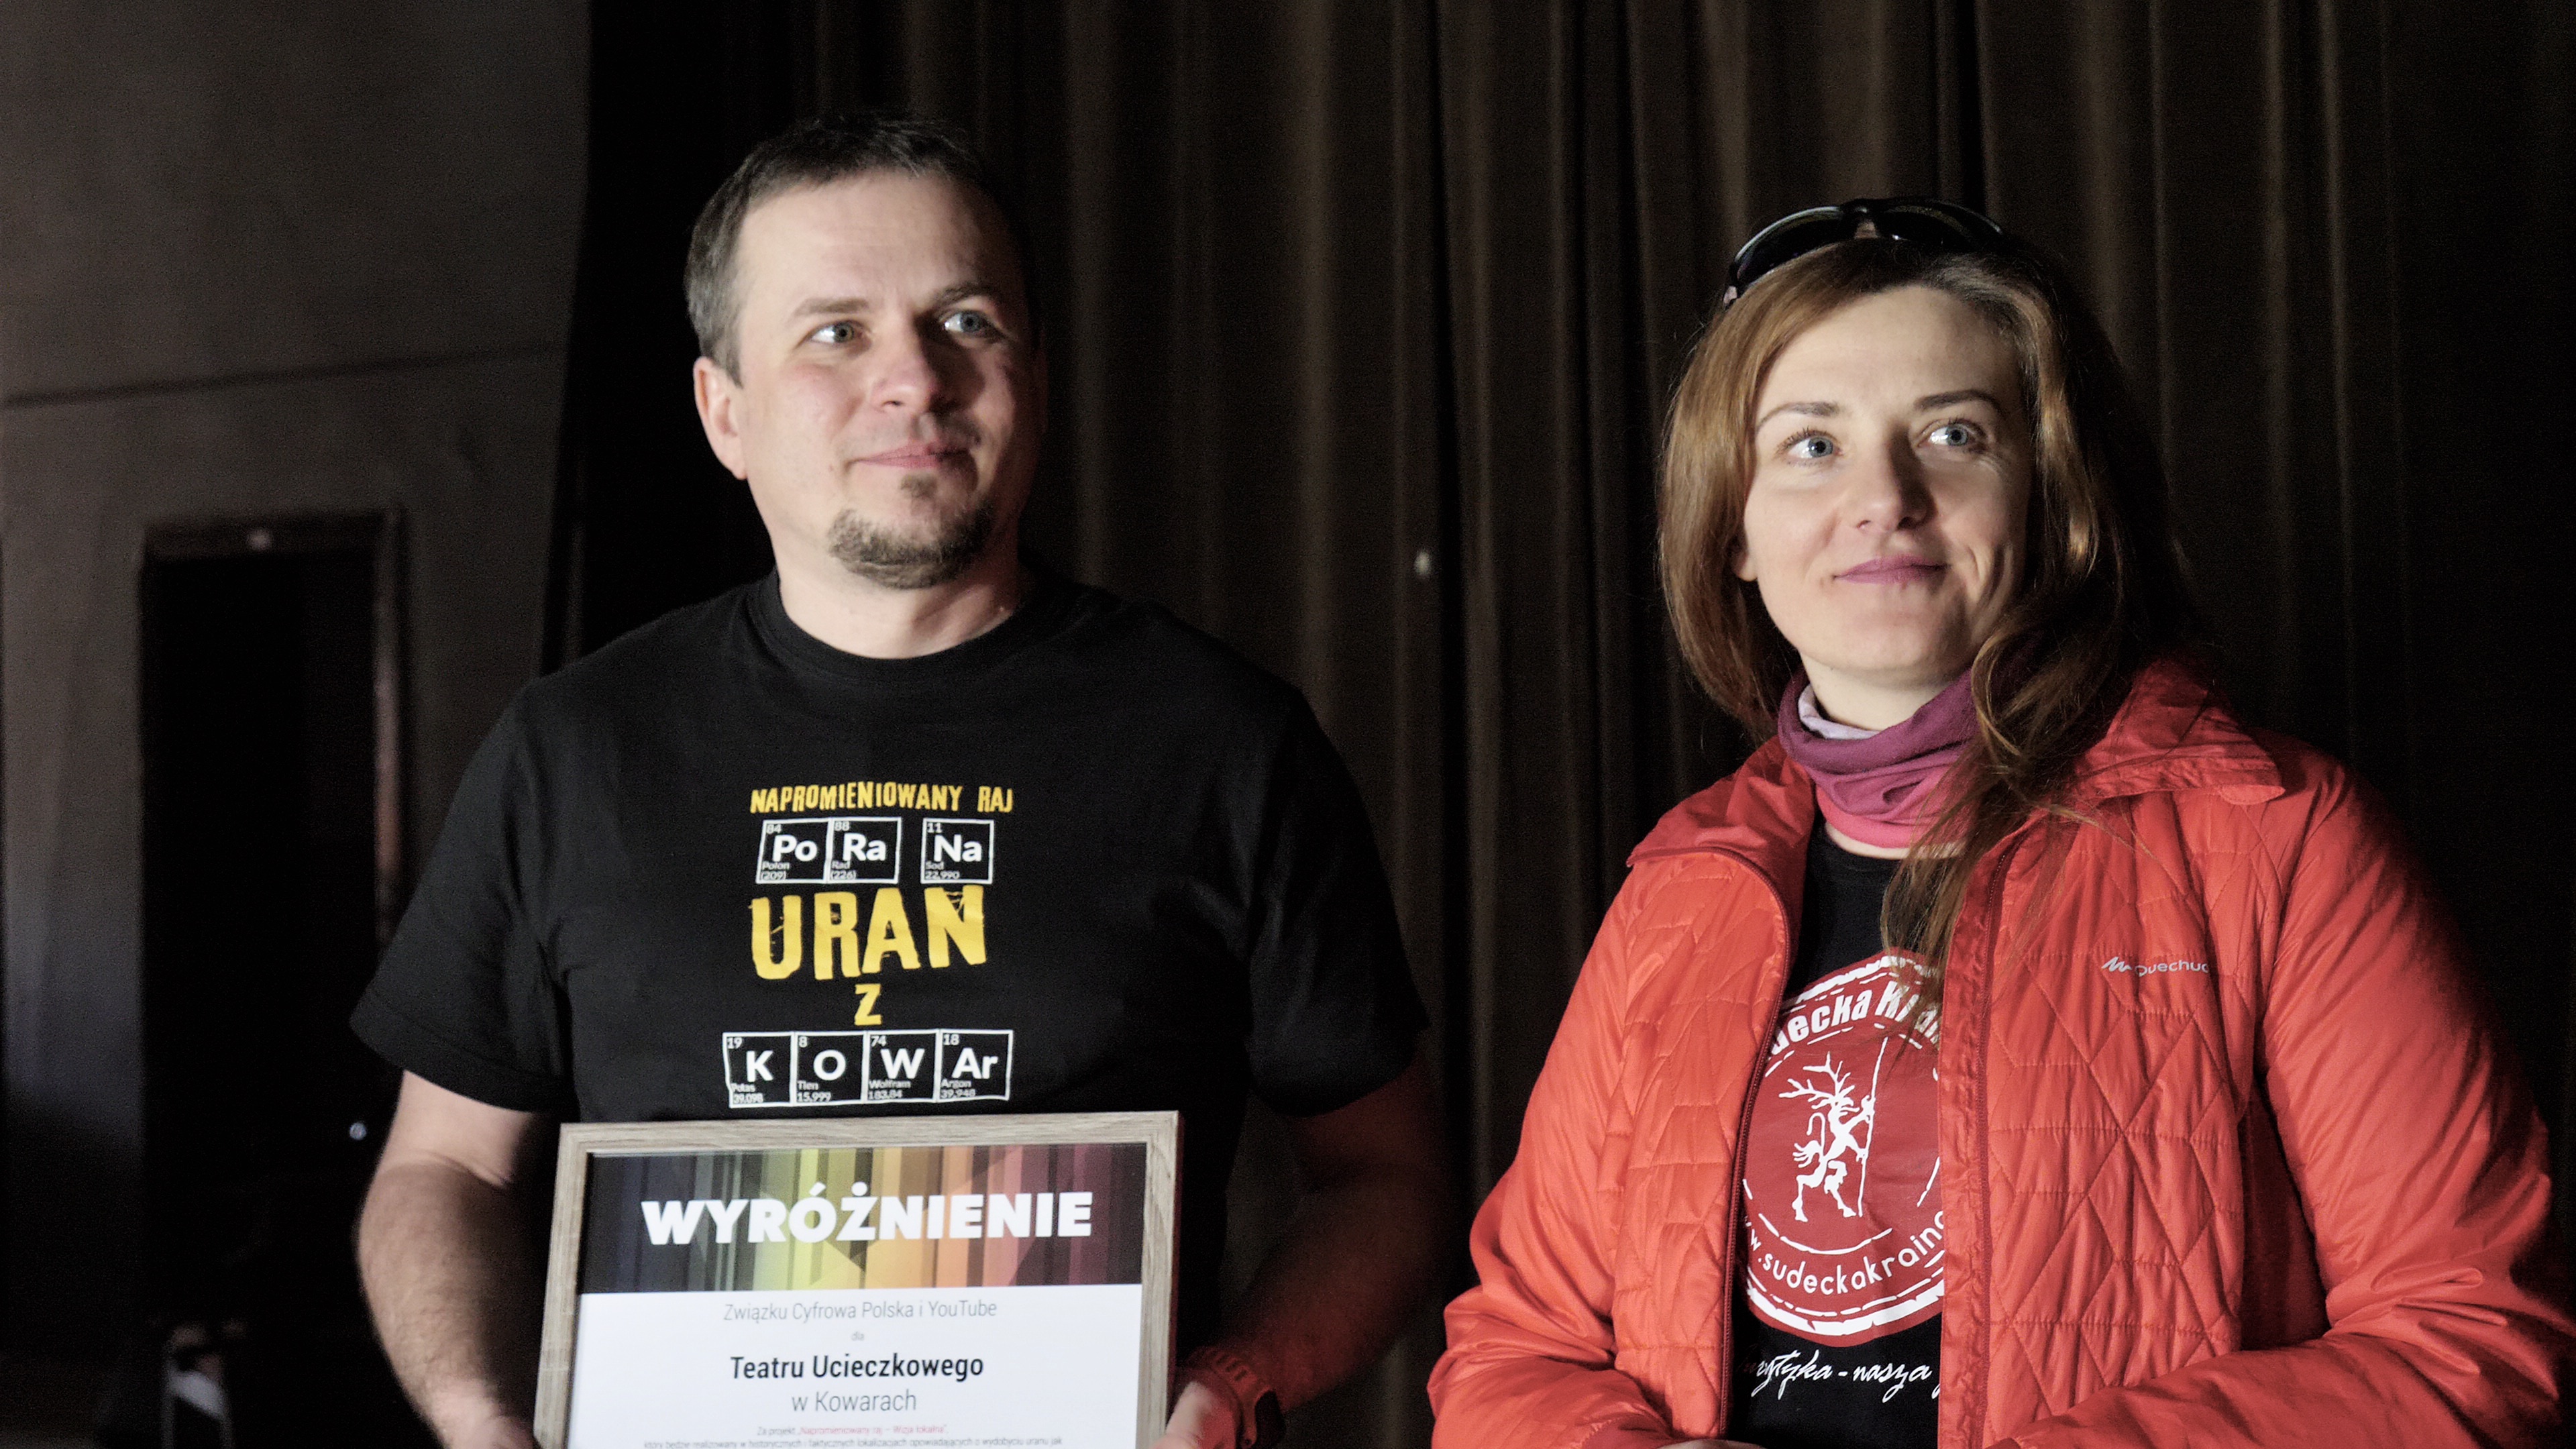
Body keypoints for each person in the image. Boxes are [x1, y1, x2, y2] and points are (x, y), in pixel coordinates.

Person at [351, 111, 1447, 1449]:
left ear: (1036, 375)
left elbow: (1382, 1181)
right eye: (835, 333)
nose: (915, 380)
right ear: (724, 413)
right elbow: (444, 1166)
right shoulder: (572, 752)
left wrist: (1232, 1381)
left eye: (966, 321)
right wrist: (479, 1420)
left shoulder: (1226, 742)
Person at [1428, 199, 2573, 1448]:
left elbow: (2469, 1341)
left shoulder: (2277, 838)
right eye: (1811, 445)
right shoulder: (1683, 883)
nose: (1885, 498)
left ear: (2051, 500)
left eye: (1954, 434)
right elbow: (1513, 1355)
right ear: (1734, 528)